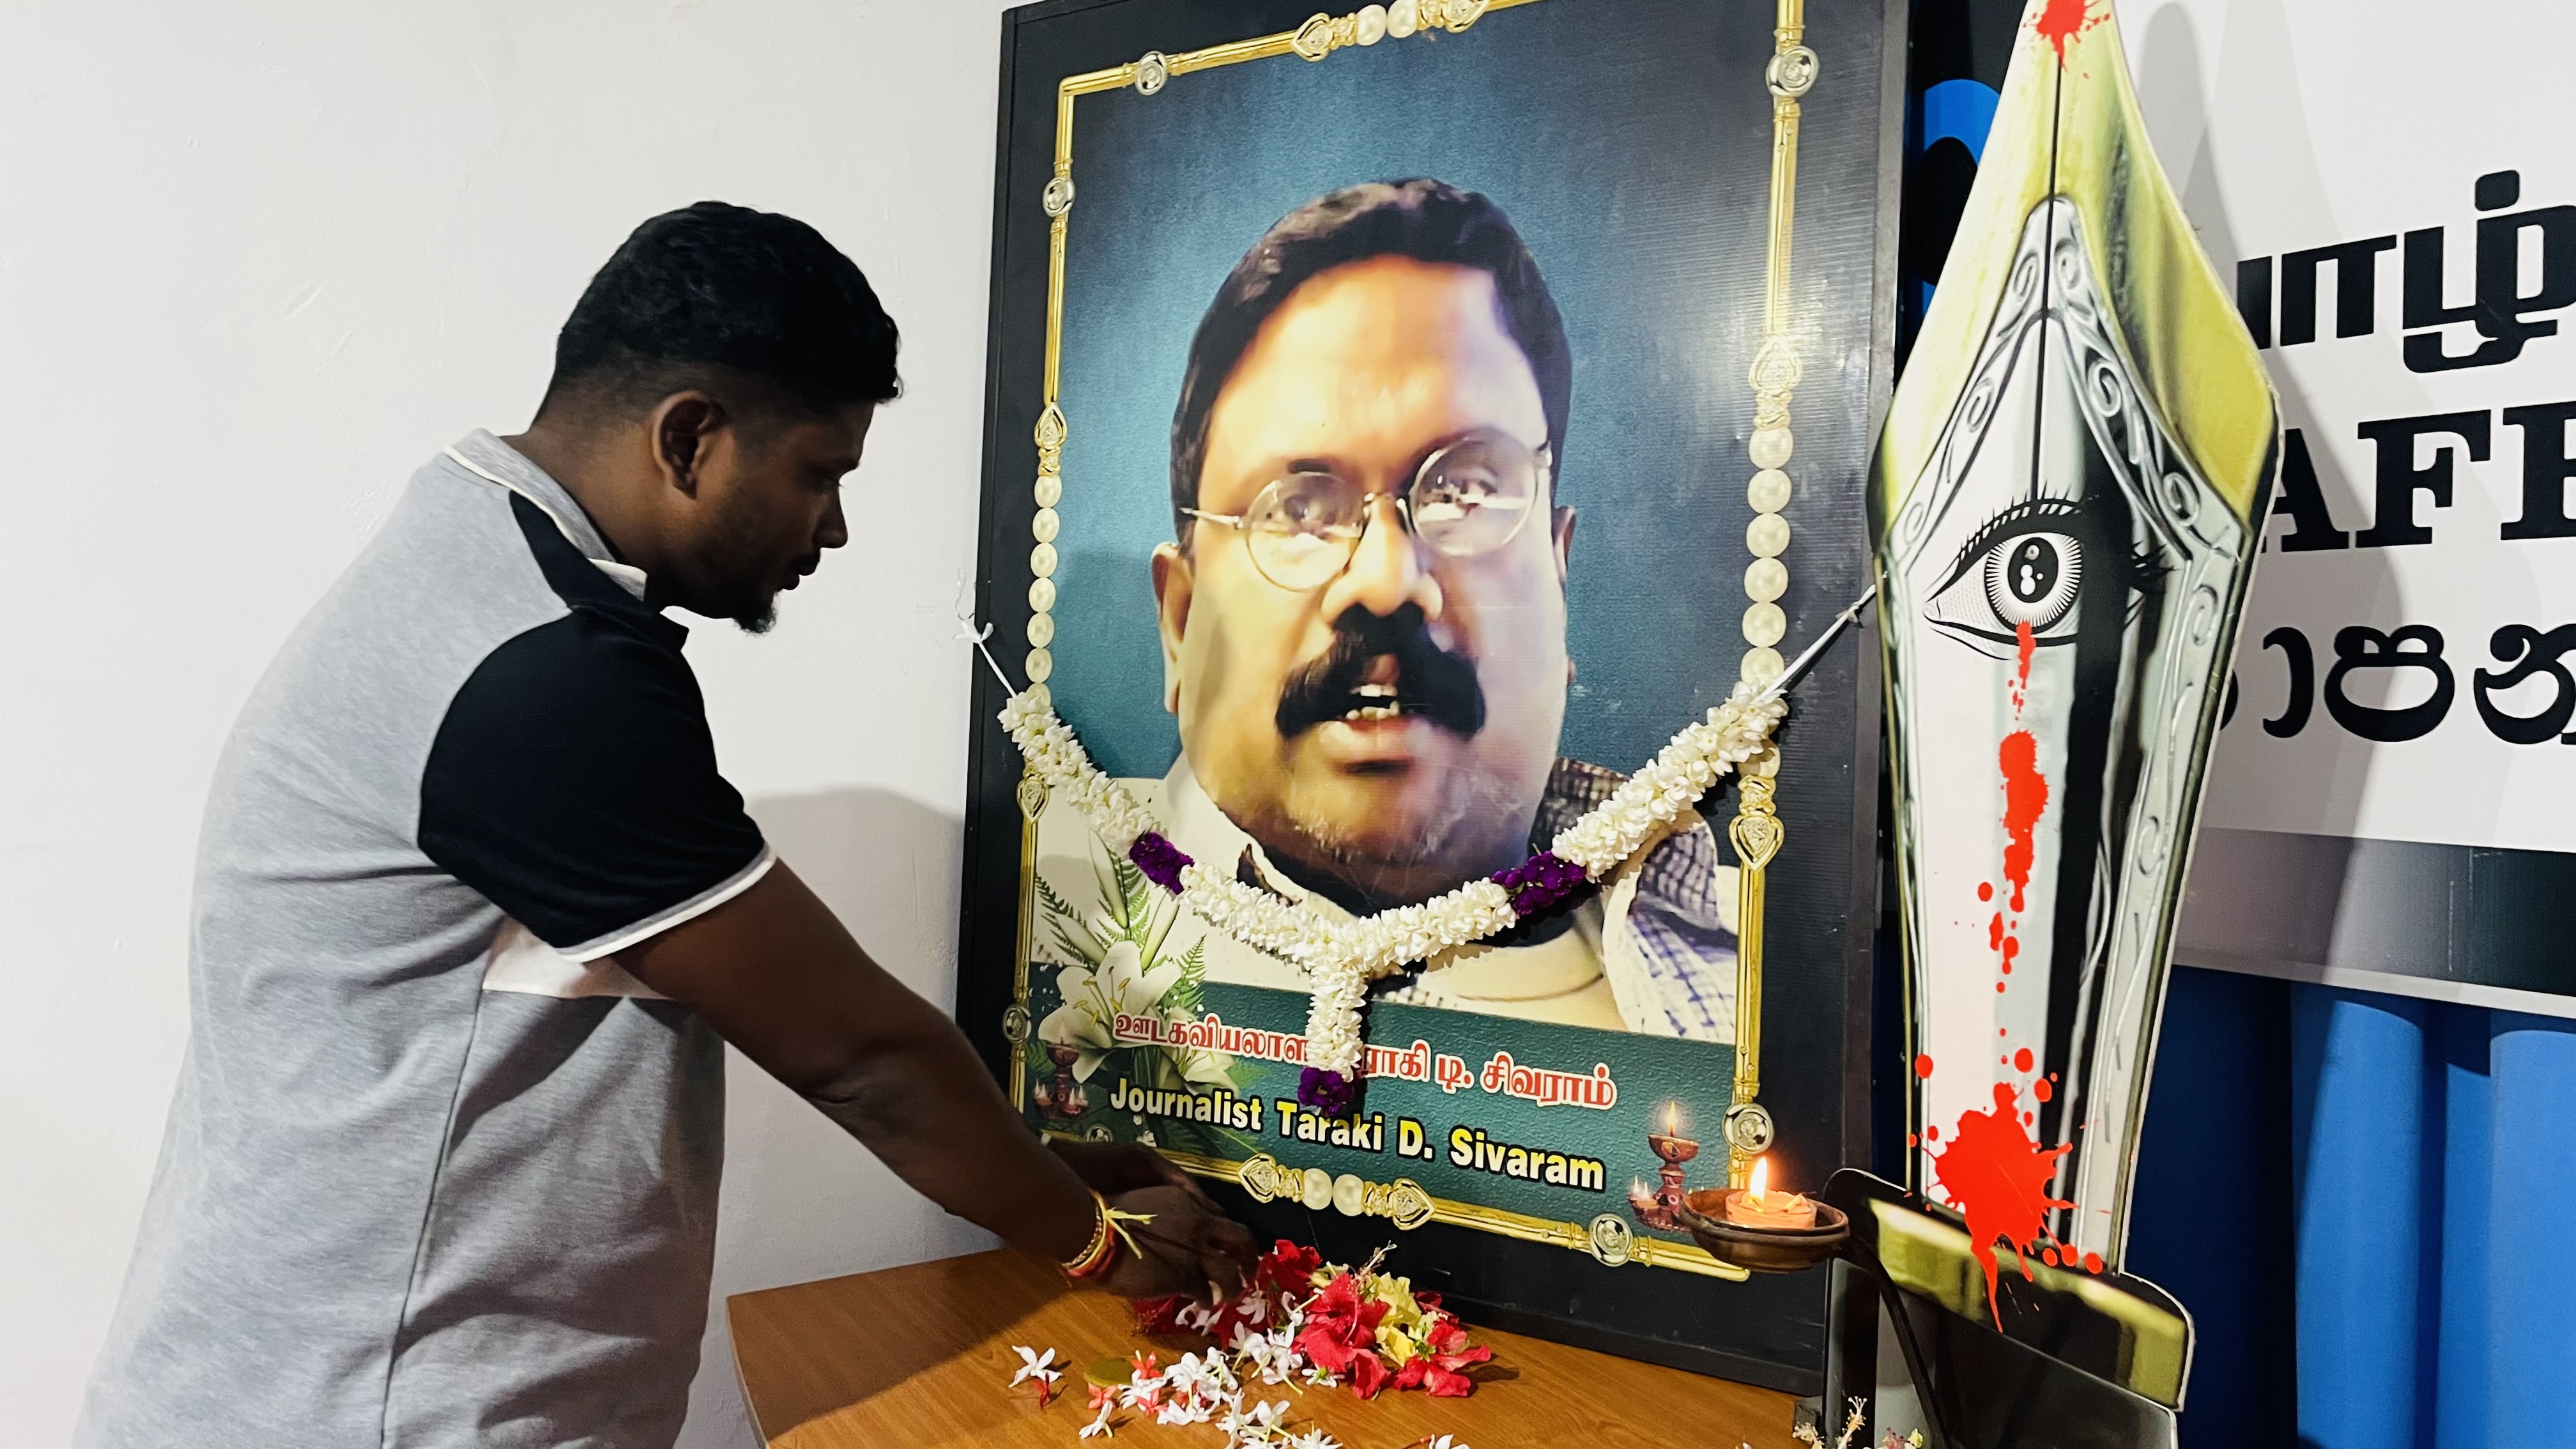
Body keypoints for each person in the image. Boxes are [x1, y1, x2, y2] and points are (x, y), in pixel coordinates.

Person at [75, 201, 1253, 1449]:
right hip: (370, 1411)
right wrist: (1093, 1241)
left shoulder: (484, 571)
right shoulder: (537, 669)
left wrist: (1054, 1174)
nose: (833, 528)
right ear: (689, 438)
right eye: (819, 474)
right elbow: (861, 1060)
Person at [1036, 180, 1742, 1042]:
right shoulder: (1057, 936)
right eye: (1299, 509)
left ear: (1557, 581)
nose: (1384, 582)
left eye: (1465, 492)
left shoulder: (1743, 995)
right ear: (1181, 625)